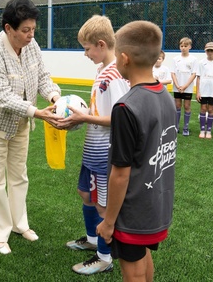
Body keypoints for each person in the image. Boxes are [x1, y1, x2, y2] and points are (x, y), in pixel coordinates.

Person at [0, 0, 61, 255]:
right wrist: (37, 112)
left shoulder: (32, 47)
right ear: (9, 28)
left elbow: (42, 77)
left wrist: (55, 97)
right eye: (25, 30)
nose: (31, 36)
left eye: (33, 29)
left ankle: (19, 224)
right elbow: (1, 96)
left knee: (19, 175)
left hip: (21, 124)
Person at [96, 20, 177, 282]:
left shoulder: (126, 107)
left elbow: (120, 174)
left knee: (132, 271)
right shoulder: (164, 95)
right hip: (157, 207)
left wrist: (108, 222)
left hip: (132, 210)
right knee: (142, 257)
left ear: (123, 58)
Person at [57, 15, 129, 275]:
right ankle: (92, 239)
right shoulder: (102, 72)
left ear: (100, 44)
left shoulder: (115, 75)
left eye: (86, 48)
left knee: (102, 205)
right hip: (92, 150)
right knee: (85, 194)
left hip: (105, 153)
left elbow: (122, 117)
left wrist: (83, 117)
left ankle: (104, 258)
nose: (85, 54)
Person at [195, 42, 213, 139]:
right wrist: (198, 91)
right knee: (203, 108)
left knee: (211, 109)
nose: (210, 52)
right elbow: (198, 77)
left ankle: (209, 131)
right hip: (203, 90)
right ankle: (202, 130)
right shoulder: (201, 63)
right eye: (208, 50)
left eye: (212, 50)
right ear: (205, 50)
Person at [171, 37, 197, 136]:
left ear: (190, 47)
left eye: (185, 46)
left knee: (187, 106)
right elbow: (173, 73)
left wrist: (185, 86)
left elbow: (193, 74)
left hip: (188, 88)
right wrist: (177, 85)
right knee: (177, 106)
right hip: (177, 87)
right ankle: (176, 126)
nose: (183, 48)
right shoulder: (175, 59)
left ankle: (186, 127)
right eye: (181, 46)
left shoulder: (193, 59)